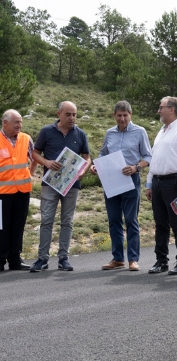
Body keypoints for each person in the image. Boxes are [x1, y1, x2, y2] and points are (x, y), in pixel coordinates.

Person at [30, 101, 91, 272]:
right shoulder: (46, 132)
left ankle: (63, 258)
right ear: (59, 114)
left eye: (74, 114)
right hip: (50, 184)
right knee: (46, 220)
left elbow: (87, 157)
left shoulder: (80, 134)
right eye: (68, 114)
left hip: (72, 185)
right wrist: (46, 163)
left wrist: (83, 170)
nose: (72, 118)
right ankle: (42, 258)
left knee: (67, 221)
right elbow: (35, 153)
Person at [92, 101, 152, 272]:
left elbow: (149, 156)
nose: (122, 118)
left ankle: (133, 259)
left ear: (130, 115)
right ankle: (118, 258)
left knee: (131, 220)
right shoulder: (109, 133)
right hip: (111, 180)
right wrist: (97, 165)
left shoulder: (140, 132)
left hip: (131, 180)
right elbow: (103, 153)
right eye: (119, 115)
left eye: (125, 115)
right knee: (114, 220)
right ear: (114, 116)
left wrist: (136, 167)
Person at [145, 96, 177, 275]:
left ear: (172, 109)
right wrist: (149, 183)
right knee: (160, 224)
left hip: (174, 182)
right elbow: (154, 157)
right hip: (159, 181)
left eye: (161, 107)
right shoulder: (162, 131)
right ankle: (161, 261)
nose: (159, 110)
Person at [0, 109, 33, 271]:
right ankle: (0, 260)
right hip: (2, 194)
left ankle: (15, 259)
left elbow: (35, 157)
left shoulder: (26, 139)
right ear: (5, 123)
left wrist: (31, 174)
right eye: (16, 122)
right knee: (1, 227)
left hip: (22, 191)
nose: (20, 125)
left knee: (18, 226)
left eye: (20, 121)